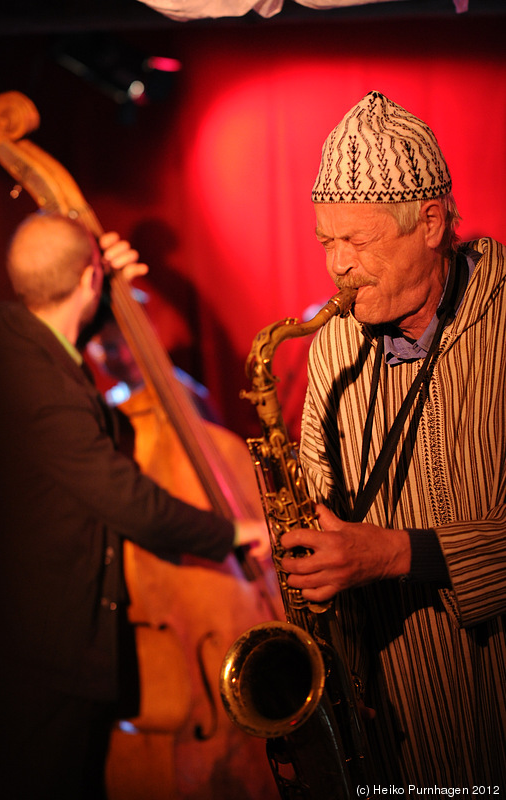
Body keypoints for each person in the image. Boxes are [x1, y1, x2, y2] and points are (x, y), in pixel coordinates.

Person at [0, 212, 267, 800]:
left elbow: (69, 335)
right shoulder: (53, 396)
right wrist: (232, 533)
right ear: (86, 280)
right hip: (46, 658)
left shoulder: (2, 336)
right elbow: (129, 501)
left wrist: (103, 289)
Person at [280, 91, 506, 788]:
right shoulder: (333, 342)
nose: (338, 266)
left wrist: (397, 553)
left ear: (431, 222)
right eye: (326, 242)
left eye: (359, 240)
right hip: (386, 707)